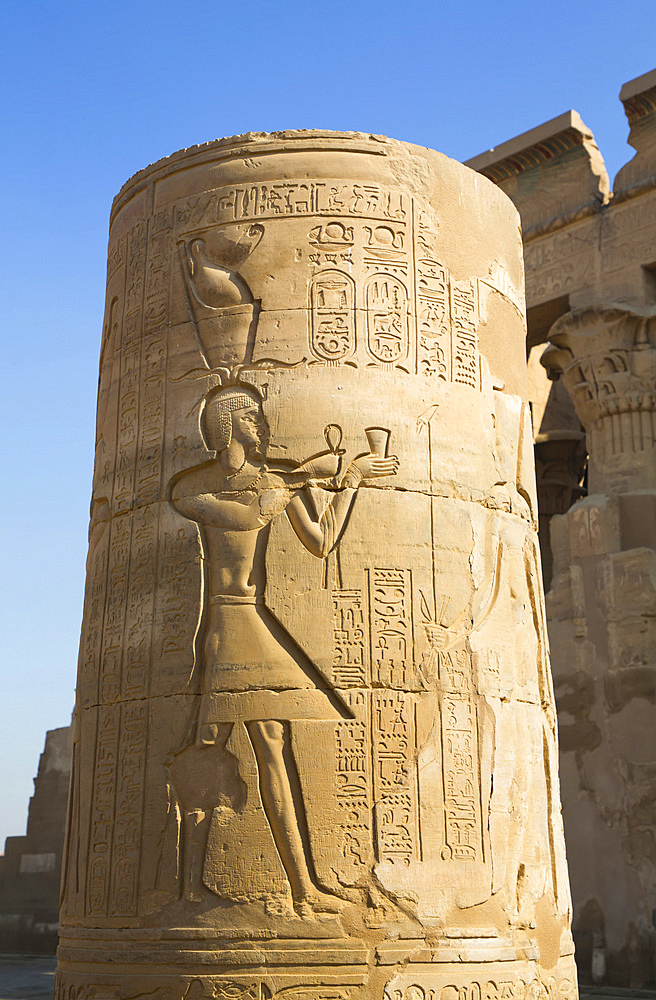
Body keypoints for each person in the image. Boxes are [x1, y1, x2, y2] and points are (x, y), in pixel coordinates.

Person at [170, 382, 398, 916]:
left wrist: (351, 485)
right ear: (226, 424)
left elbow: (321, 542)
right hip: (225, 625)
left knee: (272, 744)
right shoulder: (195, 486)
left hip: (254, 619)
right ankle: (187, 889)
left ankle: (302, 887)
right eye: (249, 414)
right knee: (206, 751)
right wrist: (300, 477)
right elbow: (247, 516)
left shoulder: (276, 479)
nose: (260, 422)